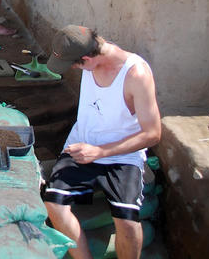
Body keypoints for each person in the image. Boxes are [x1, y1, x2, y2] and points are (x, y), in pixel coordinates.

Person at [43, 25, 161, 259]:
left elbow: (153, 134)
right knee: (54, 203)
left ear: (86, 59)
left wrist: (99, 152)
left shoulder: (136, 75)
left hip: (122, 155)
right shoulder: (90, 53)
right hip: (81, 146)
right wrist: (91, 151)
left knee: (127, 221)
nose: (74, 69)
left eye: (74, 65)